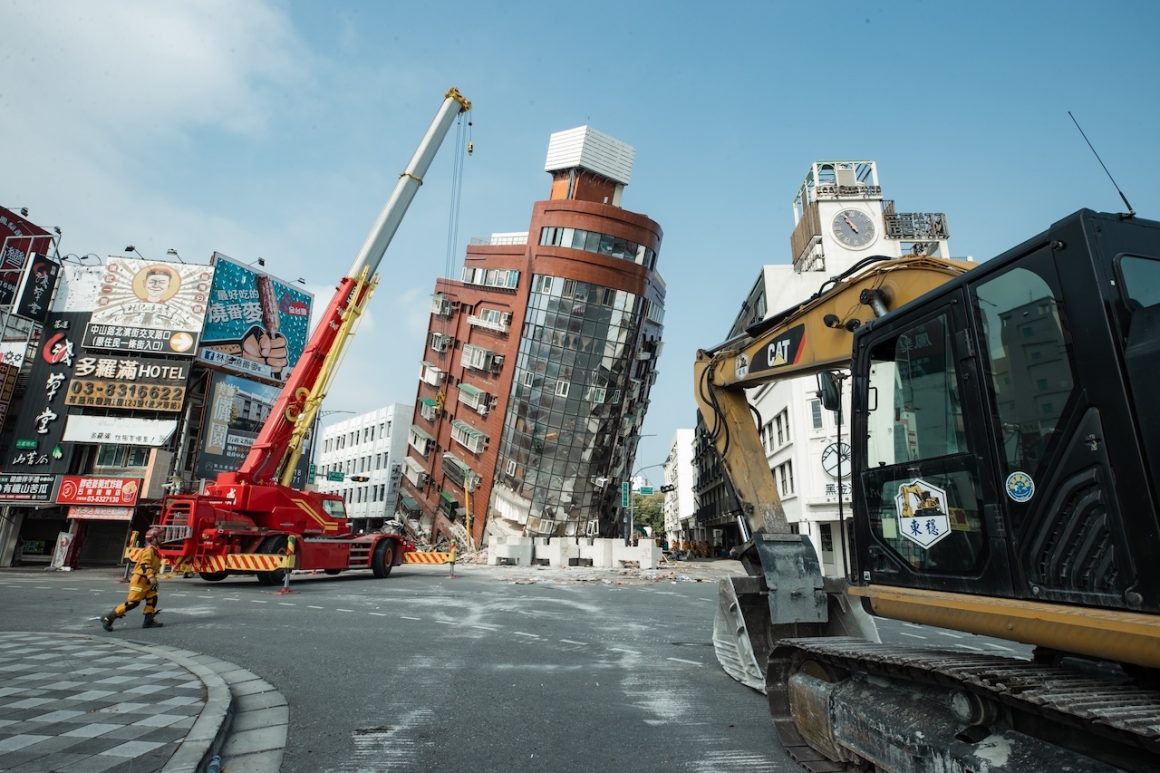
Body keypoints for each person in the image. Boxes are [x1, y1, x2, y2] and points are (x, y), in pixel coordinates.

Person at [101, 527, 165, 630]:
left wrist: (153, 579)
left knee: (152, 598)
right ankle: (108, 617)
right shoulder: (149, 551)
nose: (163, 538)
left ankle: (148, 620)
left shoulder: (154, 551)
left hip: (148, 580)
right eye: (160, 537)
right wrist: (151, 576)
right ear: (153, 539)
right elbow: (145, 564)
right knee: (133, 602)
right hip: (140, 580)